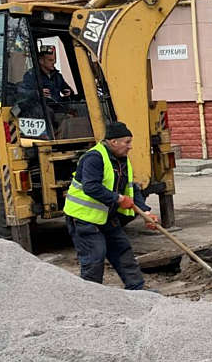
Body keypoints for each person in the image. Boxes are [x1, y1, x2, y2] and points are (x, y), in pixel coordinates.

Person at [63, 121, 159, 290]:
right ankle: (91, 296)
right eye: (127, 142)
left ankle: (137, 289)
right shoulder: (94, 158)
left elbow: (131, 188)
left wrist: (146, 212)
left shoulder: (122, 160)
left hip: (107, 216)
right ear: (114, 142)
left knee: (123, 251)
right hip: (83, 217)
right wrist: (118, 199)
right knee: (95, 257)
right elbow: (91, 187)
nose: (130, 147)